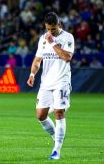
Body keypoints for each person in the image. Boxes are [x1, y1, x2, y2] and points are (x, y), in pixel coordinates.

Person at [27, 12, 75, 160]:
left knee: (59, 112)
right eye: (48, 29)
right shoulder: (43, 39)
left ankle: (57, 150)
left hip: (61, 80)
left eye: (52, 29)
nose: (50, 32)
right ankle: (56, 136)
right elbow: (37, 60)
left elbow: (67, 57)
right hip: (46, 82)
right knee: (41, 115)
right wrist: (32, 74)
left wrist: (53, 42)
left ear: (59, 24)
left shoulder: (67, 37)